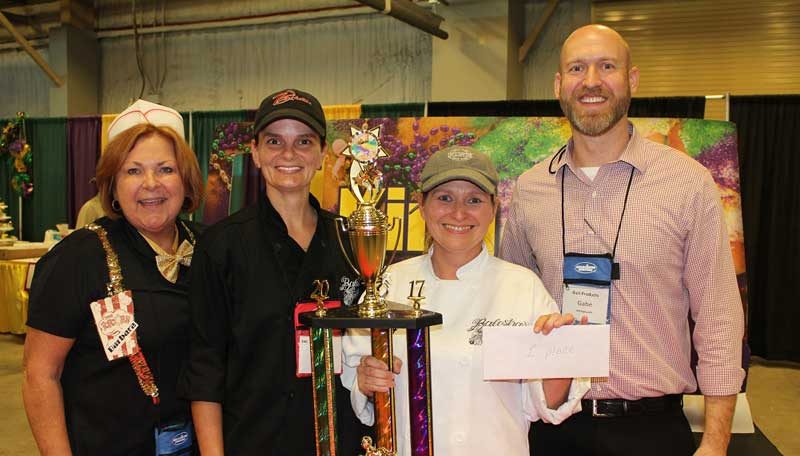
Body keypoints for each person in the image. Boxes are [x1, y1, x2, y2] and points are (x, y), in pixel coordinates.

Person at [500, 24, 745, 456]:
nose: (591, 81)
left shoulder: (687, 183)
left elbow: (719, 317)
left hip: (650, 431)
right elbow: (509, 310)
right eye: (577, 68)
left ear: (632, 80)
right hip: (551, 431)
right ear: (559, 85)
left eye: (606, 66)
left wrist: (715, 441)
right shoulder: (528, 189)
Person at [342, 146, 588, 455]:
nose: (459, 213)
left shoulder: (522, 286)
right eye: (444, 198)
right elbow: (357, 389)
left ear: (494, 207)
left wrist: (562, 352)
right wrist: (366, 381)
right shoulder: (387, 285)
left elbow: (544, 405)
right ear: (421, 204)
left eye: (474, 200)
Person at [179, 88, 370, 455]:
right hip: (253, 440)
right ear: (255, 152)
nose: (288, 154)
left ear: (321, 155)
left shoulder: (350, 240)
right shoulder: (221, 246)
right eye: (274, 141)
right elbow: (205, 368)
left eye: (303, 141)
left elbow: (363, 348)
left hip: (336, 440)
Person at [22, 99, 204, 455]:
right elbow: (39, 375)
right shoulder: (77, 258)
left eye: (166, 169)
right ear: (112, 183)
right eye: (133, 171)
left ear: (186, 178)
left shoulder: (211, 249)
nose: (151, 184)